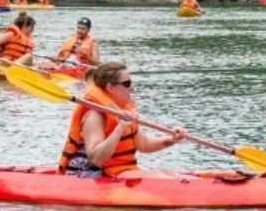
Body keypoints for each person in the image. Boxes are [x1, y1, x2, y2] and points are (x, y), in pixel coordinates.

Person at [58, 62, 187, 177]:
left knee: (166, 172)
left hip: (117, 171)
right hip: (88, 174)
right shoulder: (94, 116)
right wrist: (120, 127)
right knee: (161, 175)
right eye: (127, 83)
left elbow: (144, 144)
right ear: (110, 88)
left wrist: (172, 139)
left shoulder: (122, 111)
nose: (132, 87)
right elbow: (96, 159)